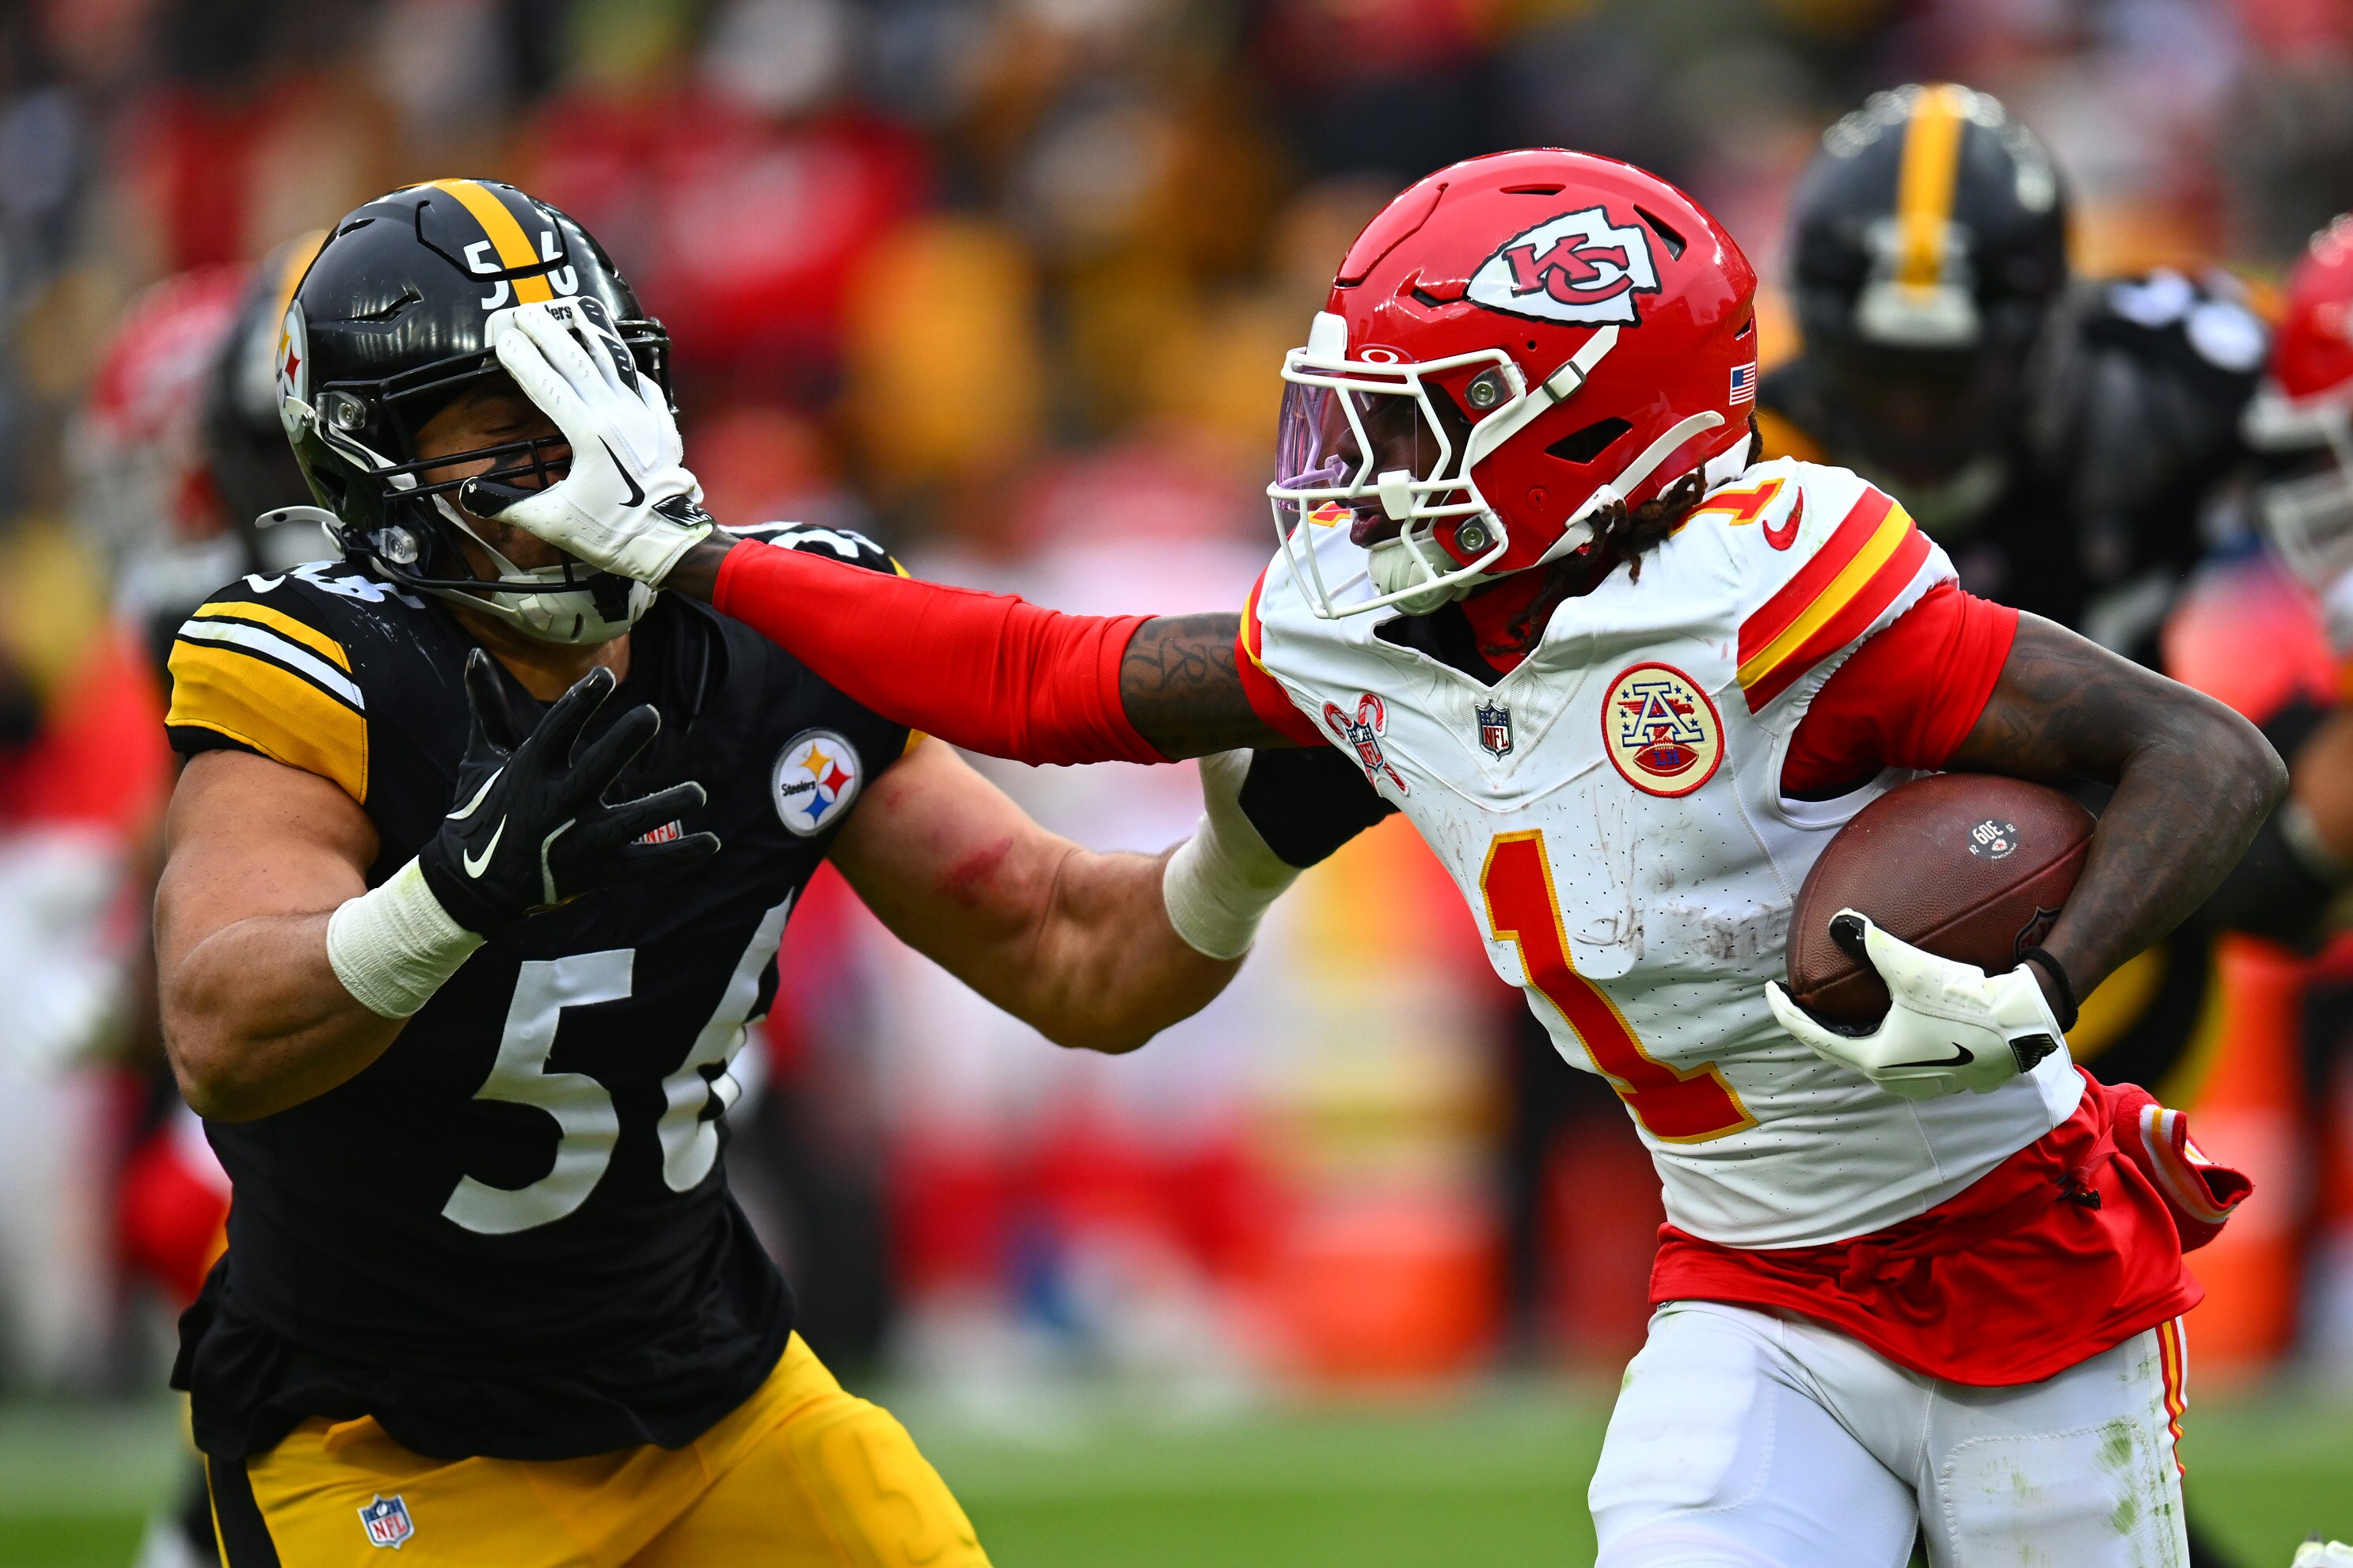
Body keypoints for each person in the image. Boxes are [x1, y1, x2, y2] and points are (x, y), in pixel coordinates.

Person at [490, 149, 2273, 1566]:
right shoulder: (1383, 624)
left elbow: (2203, 754)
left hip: (2018, 1257)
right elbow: (1043, 679)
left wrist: (2035, 982)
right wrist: (691, 559)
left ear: (1587, 427)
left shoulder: (1773, 588)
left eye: (1422, 415)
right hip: (1749, 1276)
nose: (1364, 470)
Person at [156, 179, 1243, 1566]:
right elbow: (223, 1030)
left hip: (715, 1397)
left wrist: (1245, 854)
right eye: (509, 435)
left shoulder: (767, 648)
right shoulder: (325, 667)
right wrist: (458, 892)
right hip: (389, 1429)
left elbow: (1071, 951)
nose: (576, 463)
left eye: (591, 400)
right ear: (377, 472)